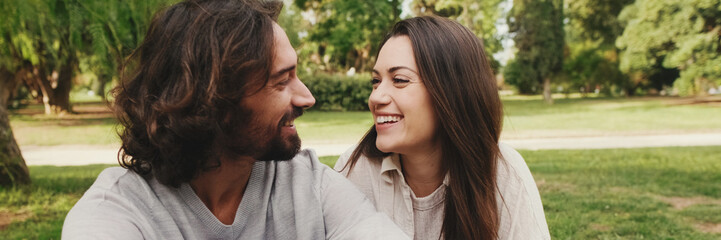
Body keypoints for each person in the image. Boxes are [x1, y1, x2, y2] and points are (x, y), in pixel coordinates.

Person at [62, 0, 408, 239]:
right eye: (281, 80)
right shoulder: (116, 214)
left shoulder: (308, 186)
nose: (307, 98)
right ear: (214, 100)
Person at [334, 16, 551, 240]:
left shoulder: (503, 172)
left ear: (450, 92)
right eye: (375, 81)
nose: (375, 97)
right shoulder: (355, 170)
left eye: (399, 80)